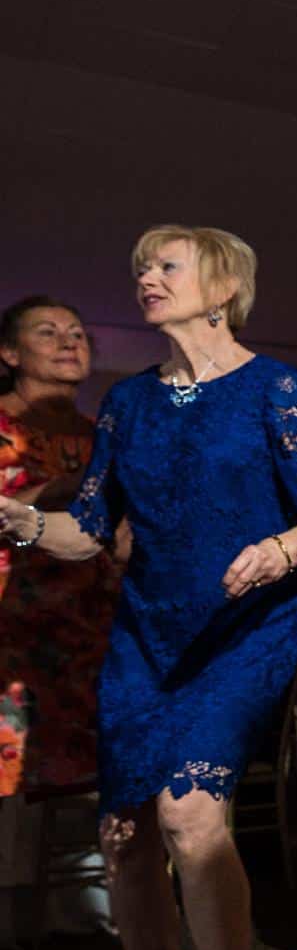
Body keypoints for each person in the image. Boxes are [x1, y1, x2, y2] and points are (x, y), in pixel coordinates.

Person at [0, 225, 297, 950]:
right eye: (141, 267)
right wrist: (18, 522)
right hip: (145, 638)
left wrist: (282, 548)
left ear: (223, 285)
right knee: (125, 838)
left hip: (246, 630)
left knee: (189, 815)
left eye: (166, 265)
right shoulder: (127, 404)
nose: (145, 278)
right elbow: (88, 529)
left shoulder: (272, 387)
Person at [0, 298, 123, 803]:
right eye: (47, 332)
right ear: (9, 352)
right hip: (11, 633)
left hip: (87, 637)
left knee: (86, 803)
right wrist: (61, 489)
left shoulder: (103, 436)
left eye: (76, 332)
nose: (69, 341)